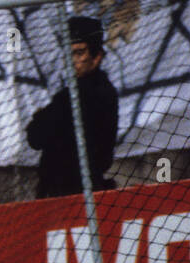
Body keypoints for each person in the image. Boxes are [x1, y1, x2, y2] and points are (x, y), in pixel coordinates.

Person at [26, 15, 118, 198]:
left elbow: (35, 136)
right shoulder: (104, 90)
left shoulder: (75, 96)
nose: (72, 61)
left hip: (66, 192)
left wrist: (40, 117)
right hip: (83, 188)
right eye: (68, 54)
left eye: (79, 53)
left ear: (97, 56)